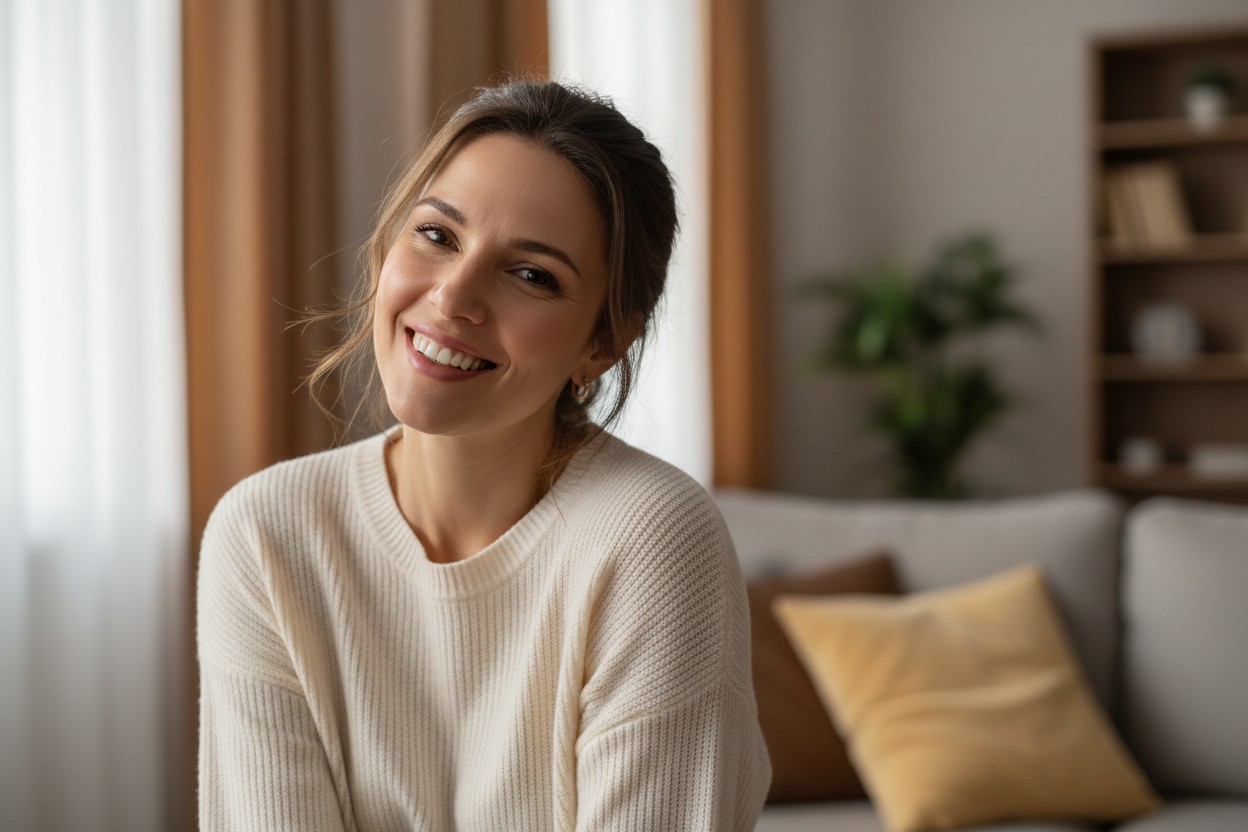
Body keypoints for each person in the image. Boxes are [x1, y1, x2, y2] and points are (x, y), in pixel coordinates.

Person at [197, 80, 771, 831]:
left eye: (533, 275)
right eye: (437, 235)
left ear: (602, 344)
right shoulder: (266, 532)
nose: (454, 298)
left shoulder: (651, 537)